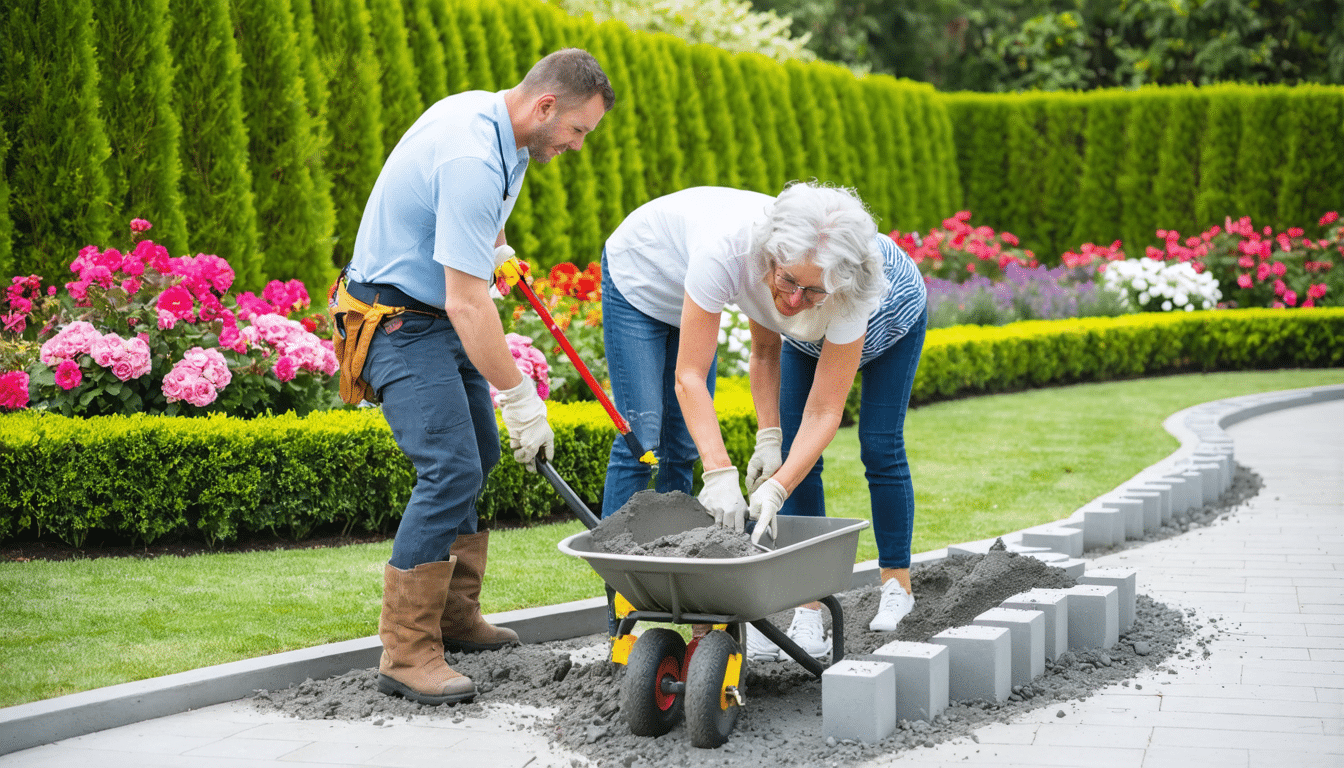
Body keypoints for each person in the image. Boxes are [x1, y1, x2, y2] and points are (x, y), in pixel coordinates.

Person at [336, 49, 614, 706]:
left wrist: (495, 248)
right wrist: (522, 400)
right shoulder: (473, 155)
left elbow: (463, 228)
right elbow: (467, 302)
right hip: (397, 318)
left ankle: (454, 619)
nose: (576, 145)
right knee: (451, 466)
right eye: (577, 130)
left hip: (428, 309)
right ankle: (406, 650)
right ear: (546, 107)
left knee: (478, 455)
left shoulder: (499, 127)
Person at [599, 181, 886, 658]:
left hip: (698, 291)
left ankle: (679, 596)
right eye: (788, 282)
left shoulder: (849, 289)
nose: (795, 300)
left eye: (813, 290)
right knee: (644, 437)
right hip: (645, 280)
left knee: (683, 446)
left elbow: (821, 406)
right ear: (770, 257)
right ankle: (621, 609)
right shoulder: (730, 248)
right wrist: (720, 473)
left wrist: (776, 471)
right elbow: (688, 377)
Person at [773, 235, 927, 639]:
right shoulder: (779, 263)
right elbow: (763, 350)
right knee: (796, 454)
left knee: (879, 444)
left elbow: (826, 410)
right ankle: (807, 605)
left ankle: (897, 584)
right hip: (808, 340)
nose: (792, 296)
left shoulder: (857, 286)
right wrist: (768, 443)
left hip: (892, 326)